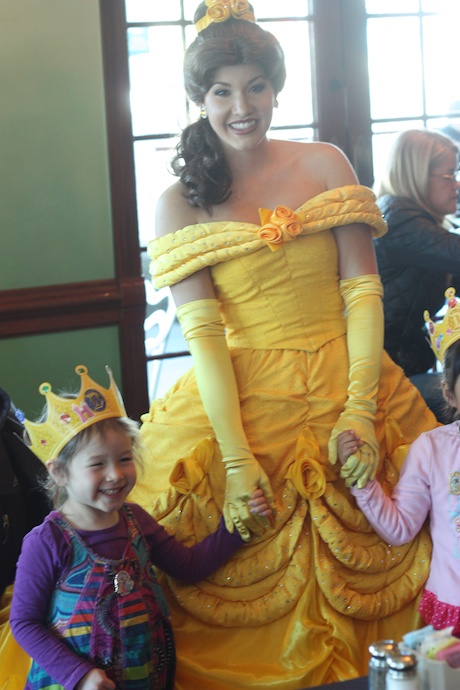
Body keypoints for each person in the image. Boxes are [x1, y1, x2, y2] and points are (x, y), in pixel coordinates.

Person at [128, 2, 439, 688]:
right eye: (222, 91)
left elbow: (363, 292)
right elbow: (203, 334)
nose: (243, 106)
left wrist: (360, 410)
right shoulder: (179, 199)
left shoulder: (326, 163)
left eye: (256, 87)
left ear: (277, 87)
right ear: (198, 97)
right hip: (241, 394)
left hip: (351, 373)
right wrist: (235, 459)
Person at [8, 364, 270, 690]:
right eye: (97, 464)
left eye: (123, 458)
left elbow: (187, 566)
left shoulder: (135, 519)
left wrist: (237, 529)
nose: (116, 475)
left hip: (145, 676)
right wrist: (80, 676)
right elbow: (24, 623)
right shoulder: (47, 541)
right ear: (60, 473)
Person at [338, 287, 460, 636]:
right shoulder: (432, 450)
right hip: (455, 614)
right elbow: (400, 527)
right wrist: (362, 480)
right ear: (449, 393)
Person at [374, 128, 460, 380]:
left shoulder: (407, 218)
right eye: (449, 175)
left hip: (404, 365)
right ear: (417, 176)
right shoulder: (398, 221)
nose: (456, 184)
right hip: (389, 375)